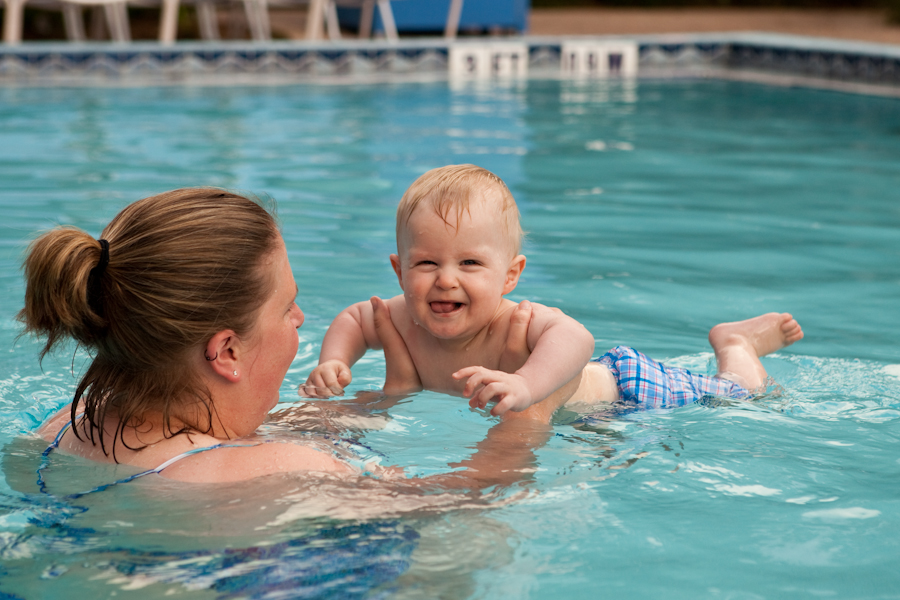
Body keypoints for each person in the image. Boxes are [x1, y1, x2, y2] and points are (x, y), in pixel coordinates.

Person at [19, 187, 546, 487]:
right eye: (288, 307)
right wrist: (526, 415)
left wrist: (385, 398)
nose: (299, 321)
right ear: (227, 351)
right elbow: (463, 511)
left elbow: (232, 436)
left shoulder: (60, 427)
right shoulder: (290, 471)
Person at [301, 164, 804, 422]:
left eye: (471, 263)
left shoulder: (512, 318)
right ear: (398, 268)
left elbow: (577, 337)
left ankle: (736, 347)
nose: (445, 279)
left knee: (737, 399)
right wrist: (334, 361)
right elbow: (352, 319)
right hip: (577, 428)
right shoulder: (399, 316)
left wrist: (527, 385)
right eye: (426, 262)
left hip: (625, 392)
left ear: (510, 276)